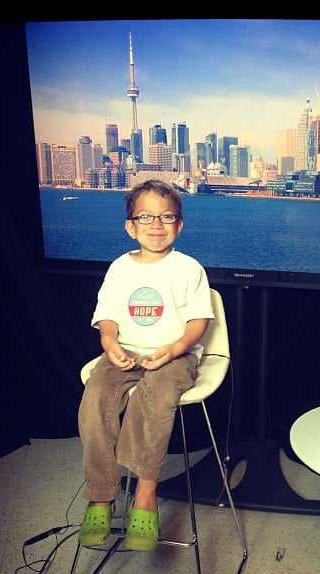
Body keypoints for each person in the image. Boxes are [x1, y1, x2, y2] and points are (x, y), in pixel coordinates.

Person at [77, 179, 214, 552]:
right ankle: (102, 494)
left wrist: (175, 348)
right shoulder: (120, 268)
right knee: (97, 397)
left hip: (175, 355)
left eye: (167, 216)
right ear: (130, 226)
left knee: (152, 399)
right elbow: (107, 317)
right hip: (127, 352)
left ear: (179, 225)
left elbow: (198, 323)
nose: (156, 224)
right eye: (146, 216)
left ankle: (145, 492)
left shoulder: (189, 269)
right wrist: (109, 344)